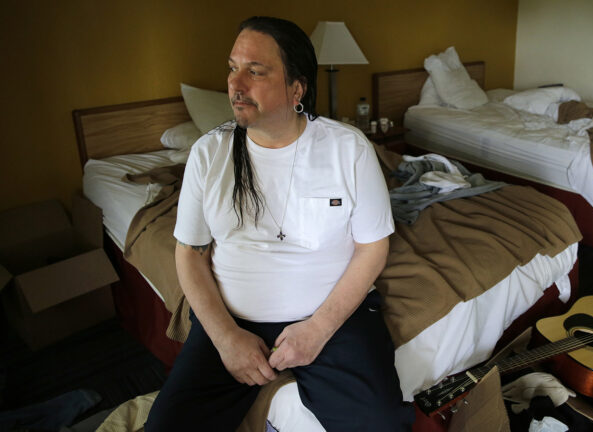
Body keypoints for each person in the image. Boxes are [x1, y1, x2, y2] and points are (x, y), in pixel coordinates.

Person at [145, 16, 414, 431]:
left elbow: (372, 247)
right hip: (232, 322)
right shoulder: (208, 153)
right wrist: (225, 339)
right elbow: (190, 253)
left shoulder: (348, 149)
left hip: (332, 321)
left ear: (296, 89)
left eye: (256, 71)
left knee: (382, 423)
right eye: (233, 68)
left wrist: (319, 328)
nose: (236, 84)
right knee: (167, 426)